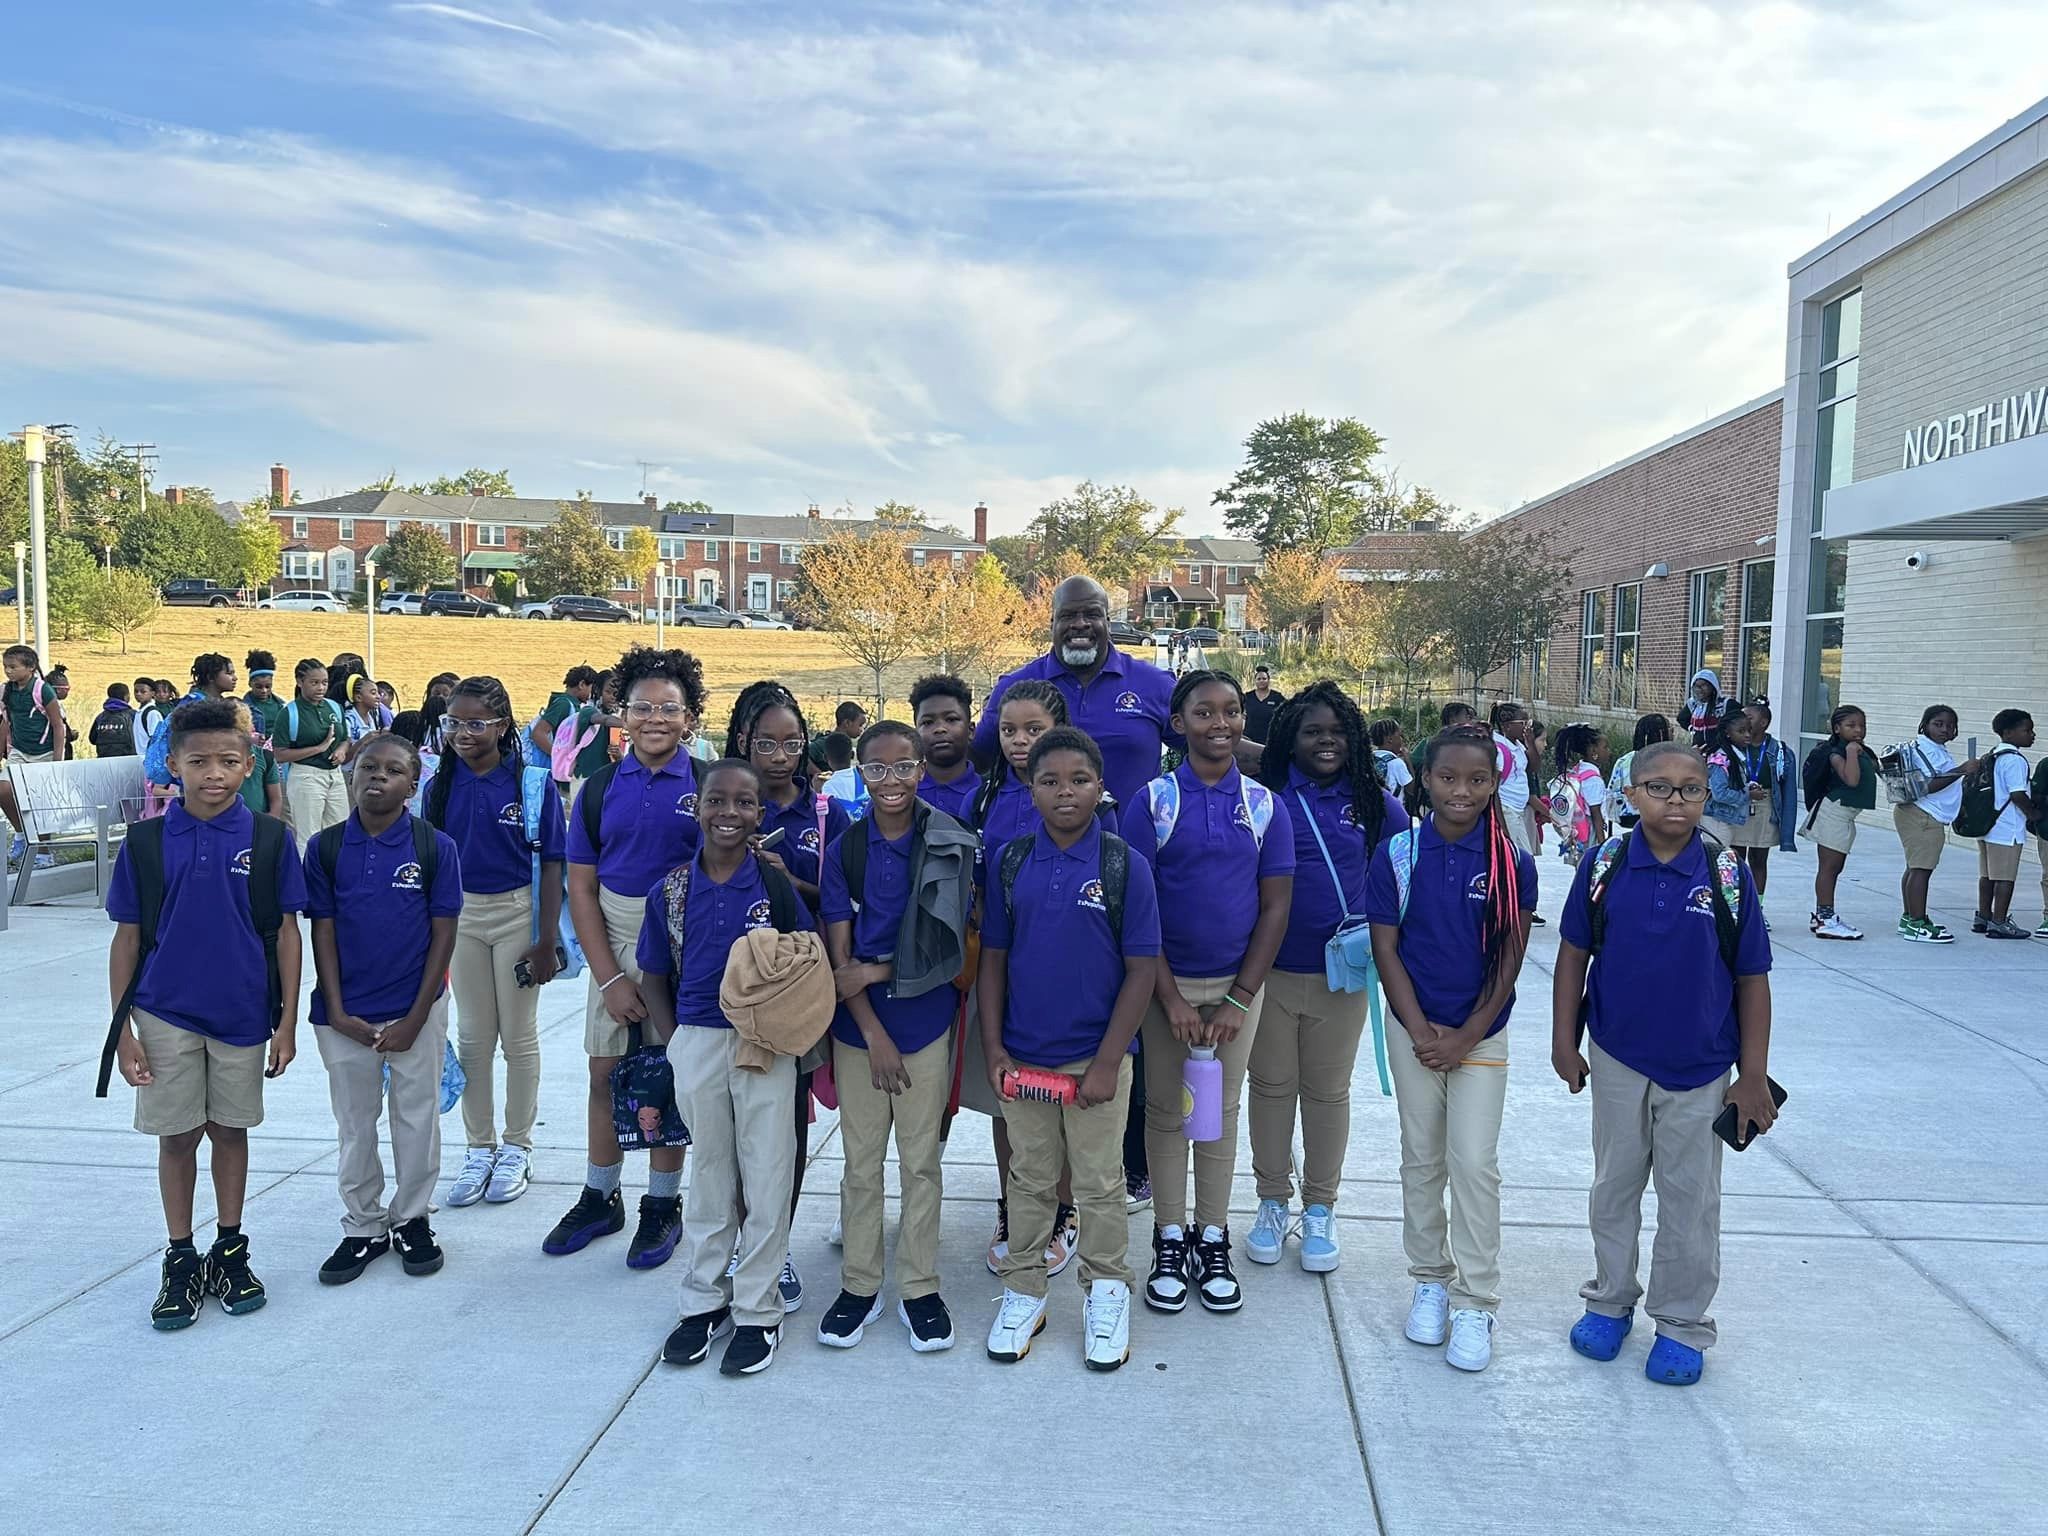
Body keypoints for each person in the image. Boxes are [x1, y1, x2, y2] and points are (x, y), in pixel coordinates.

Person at [1552, 740, 1776, 1387]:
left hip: (1702, 1067)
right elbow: (1574, 956)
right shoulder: (1605, 863)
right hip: (1618, 1055)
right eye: (1659, 787)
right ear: (1630, 794)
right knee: (1614, 1185)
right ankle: (1609, 1298)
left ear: (1707, 796)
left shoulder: (1726, 872)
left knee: (1690, 1199)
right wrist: (1564, 1040)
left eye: (1690, 789)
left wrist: (1752, 1074)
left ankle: (1680, 1322)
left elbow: (1752, 977)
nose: (1675, 800)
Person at [107, 700, 305, 1329]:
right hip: (165, 1012)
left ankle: (229, 1245)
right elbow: (127, 939)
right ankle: (181, 1256)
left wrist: (287, 1020)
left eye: (227, 761)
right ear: (174, 765)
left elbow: (288, 934)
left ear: (250, 764)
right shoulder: (147, 840)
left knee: (231, 1130)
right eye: (198, 762)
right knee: (177, 1136)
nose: (213, 774)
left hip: (244, 1013)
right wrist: (123, 1033)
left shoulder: (271, 839)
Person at [979, 726, 1161, 1370]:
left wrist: (1111, 1061)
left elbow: (1142, 969)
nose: (1064, 792)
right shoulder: (1009, 861)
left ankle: (1107, 1290)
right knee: (1029, 1178)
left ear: (1100, 786)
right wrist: (994, 1049)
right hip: (1024, 1056)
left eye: (1079, 780)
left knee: (1099, 1181)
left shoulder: (1121, 864)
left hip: (1096, 1057)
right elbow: (994, 963)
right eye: (1049, 781)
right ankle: (1025, 1288)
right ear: (1030, 790)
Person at [1122, 670, 1294, 1318]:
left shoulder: (1262, 805)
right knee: (1166, 1110)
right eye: (1203, 713)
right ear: (1178, 721)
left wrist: (1239, 999)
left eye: (1230, 712)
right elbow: (1139, 907)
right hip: (1163, 985)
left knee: (1218, 1111)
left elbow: (1275, 908)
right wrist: (1167, 998)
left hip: (1234, 991)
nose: (1219, 724)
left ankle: (1212, 1234)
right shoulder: (1153, 801)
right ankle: (1170, 1236)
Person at [1366, 726, 1537, 1373]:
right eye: (1447, 779)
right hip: (1414, 1029)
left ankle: (1474, 1300)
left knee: (1472, 1163)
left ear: (1494, 784)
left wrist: (1468, 1033)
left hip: (1480, 1034)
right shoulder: (1399, 854)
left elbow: (1511, 954)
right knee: (1422, 1158)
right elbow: (1386, 948)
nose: (1460, 791)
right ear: (1425, 781)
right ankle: (1430, 1281)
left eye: (1476, 780)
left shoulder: (1510, 862)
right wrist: (1418, 1030)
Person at [649, 760, 815, 1377]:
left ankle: (758, 1308)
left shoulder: (773, 889)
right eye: (716, 801)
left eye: (743, 804)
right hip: (696, 1038)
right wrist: (676, 1044)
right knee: (712, 1174)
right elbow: (653, 974)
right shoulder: (672, 890)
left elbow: (804, 960)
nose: (728, 814)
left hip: (765, 1045)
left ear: (759, 815)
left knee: (768, 1174)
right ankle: (703, 1301)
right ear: (698, 806)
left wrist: (784, 1030)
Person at [817, 722, 975, 1353]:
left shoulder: (949, 841)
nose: (891, 782)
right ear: (859, 772)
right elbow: (839, 960)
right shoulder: (848, 850)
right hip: (861, 1032)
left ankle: (919, 1285)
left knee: (921, 1164)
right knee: (860, 1165)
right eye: (876, 770)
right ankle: (860, 1283)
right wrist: (873, 1033)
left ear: (920, 770)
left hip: (928, 1023)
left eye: (903, 767)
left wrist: (879, 970)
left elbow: (949, 947)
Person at [554, 648, 706, 1269]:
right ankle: (600, 1194)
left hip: (683, 943)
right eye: (642, 706)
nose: (654, 719)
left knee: (667, 1076)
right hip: (613, 936)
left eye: (669, 708)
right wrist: (610, 976)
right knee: (605, 1073)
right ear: (621, 712)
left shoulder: (708, 784)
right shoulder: (596, 791)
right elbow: (581, 888)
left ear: (690, 718)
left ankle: (662, 1204)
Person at [1248, 682, 1408, 1271]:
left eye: (1337, 732)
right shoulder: (1263, 797)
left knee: (1325, 1092)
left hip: (1341, 976)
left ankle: (1320, 1207)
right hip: (1267, 973)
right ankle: (1271, 1201)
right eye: (1312, 731)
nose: (1325, 742)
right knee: (1269, 1090)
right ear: (1290, 737)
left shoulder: (1374, 803)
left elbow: (1402, 879)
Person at [305, 732, 462, 1286]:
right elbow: (321, 931)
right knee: (355, 1123)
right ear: (350, 774)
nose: (377, 777)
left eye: (393, 770)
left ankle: (412, 1218)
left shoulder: (433, 847)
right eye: (368, 767)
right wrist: (339, 1009)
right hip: (344, 1014)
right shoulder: (324, 848)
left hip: (415, 1007)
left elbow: (444, 934)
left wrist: (418, 1016)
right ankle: (363, 1225)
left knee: (417, 1118)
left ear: (412, 785)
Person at [725, 680, 849, 1308]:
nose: (778, 753)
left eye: (791, 742)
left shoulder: (827, 814)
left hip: (799, 990)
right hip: (732, 992)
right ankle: (745, 1240)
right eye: (765, 741)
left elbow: (844, 904)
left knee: (791, 1127)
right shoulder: (725, 800)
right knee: (740, 1129)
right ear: (743, 740)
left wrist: (787, 878)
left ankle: (777, 1247)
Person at [426, 676, 564, 1209]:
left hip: (517, 914)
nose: (463, 733)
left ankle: (517, 1146)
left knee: (519, 1034)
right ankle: (479, 1147)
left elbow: (553, 863)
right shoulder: (437, 785)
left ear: (504, 725)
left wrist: (545, 939)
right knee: (474, 1036)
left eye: (476, 723)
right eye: (454, 722)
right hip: (459, 917)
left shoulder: (530, 782)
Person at [966, 678, 1089, 1275]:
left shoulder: (1090, 802)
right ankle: (1016, 1205)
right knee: (1007, 1099)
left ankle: (1063, 1210)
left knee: (1061, 1096)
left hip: (1066, 967)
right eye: (1009, 730)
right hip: (1001, 964)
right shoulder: (984, 799)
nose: (1019, 742)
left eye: (1033, 730)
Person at [974, 575, 1178, 812]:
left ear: (1108, 622)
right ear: (1052, 623)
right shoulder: (1015, 688)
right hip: (1035, 845)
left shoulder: (1154, 684)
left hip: (1134, 844)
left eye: (1092, 614)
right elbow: (975, 761)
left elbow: (1209, 750)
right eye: (1068, 615)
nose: (1080, 623)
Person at [1801, 704, 1871, 940]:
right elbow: (1851, 780)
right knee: (1829, 869)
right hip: (1834, 813)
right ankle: (1825, 919)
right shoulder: (1835, 752)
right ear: (1837, 727)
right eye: (1851, 725)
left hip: (1846, 815)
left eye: (1862, 725)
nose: (1858, 730)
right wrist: (1851, 752)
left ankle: (1823, 916)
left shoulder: (1859, 749)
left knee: (1835, 868)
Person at [4, 644, 70, 867]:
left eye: (13, 667)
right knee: (3, 789)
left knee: (39, 802)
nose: (8, 671)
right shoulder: (7, 690)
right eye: (5, 667)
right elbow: (5, 720)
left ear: (30, 668)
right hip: (20, 751)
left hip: (44, 752)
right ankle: (22, 833)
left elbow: (58, 726)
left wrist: (57, 760)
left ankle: (44, 853)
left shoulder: (43, 690)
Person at [274, 659, 351, 850]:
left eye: (324, 682)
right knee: (308, 835)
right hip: (306, 775)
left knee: (340, 832)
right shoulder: (289, 713)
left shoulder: (334, 707)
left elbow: (345, 738)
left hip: (335, 774)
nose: (321, 687)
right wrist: (319, 748)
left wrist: (341, 750)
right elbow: (280, 754)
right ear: (300, 682)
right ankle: (305, 877)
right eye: (314, 682)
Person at [1975, 709, 2037, 940]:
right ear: (2009, 733)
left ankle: (1983, 916)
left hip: (1988, 825)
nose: (2032, 735)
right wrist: (2034, 814)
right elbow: (2018, 795)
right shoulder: (2014, 760)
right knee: (2005, 878)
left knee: (1987, 875)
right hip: (2007, 827)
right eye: (2027, 730)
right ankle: (1999, 922)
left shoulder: (1992, 755)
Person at [1732, 702, 1799, 894]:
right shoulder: (1732, 748)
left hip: (1765, 807)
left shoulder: (1780, 751)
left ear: (1764, 723)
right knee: (1735, 859)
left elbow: (1789, 795)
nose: (1744, 721)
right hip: (1739, 806)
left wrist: (1786, 829)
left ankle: (1758, 911)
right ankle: (1735, 908)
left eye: (1749, 718)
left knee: (1759, 860)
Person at [910, 674, 981, 822]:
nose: (940, 729)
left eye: (951, 719)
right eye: (928, 722)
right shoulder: (902, 791)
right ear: (915, 734)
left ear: (971, 730)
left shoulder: (988, 795)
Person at [531, 666, 599, 792]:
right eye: (591, 688)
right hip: (558, 774)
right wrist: (561, 758)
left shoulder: (573, 705)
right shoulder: (563, 704)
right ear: (582, 684)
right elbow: (538, 733)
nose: (592, 693)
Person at [1549, 722, 1609, 861]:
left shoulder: (1578, 770)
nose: (1608, 751)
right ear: (1593, 752)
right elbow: (1596, 814)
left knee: (1580, 868)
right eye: (1605, 747)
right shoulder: (1593, 779)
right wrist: (1602, 845)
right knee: (1588, 868)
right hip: (1589, 831)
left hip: (1577, 829)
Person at [564, 670, 621, 806]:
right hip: (585, 780)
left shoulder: (619, 717)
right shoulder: (587, 711)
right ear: (597, 690)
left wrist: (619, 756)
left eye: (617, 694)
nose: (613, 697)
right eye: (608, 692)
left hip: (610, 782)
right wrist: (628, 723)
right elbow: (603, 719)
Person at [1608, 715, 1672, 831]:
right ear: (1661, 734)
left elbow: (1611, 794)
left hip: (1624, 822)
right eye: (1669, 728)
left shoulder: (1624, 761)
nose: (1672, 731)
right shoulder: (1667, 762)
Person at [230, 702, 286, 819]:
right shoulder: (213, 757)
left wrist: (267, 825)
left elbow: (276, 801)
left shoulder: (265, 757)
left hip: (257, 825)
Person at [243, 651, 287, 749]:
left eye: (268, 686)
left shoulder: (282, 705)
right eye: (259, 687)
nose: (264, 691)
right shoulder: (243, 708)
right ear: (250, 683)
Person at [89, 682, 141, 758]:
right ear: (126, 697)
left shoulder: (100, 717)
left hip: (104, 759)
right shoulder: (133, 715)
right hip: (128, 759)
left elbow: (92, 739)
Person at [1677, 669, 1725, 746]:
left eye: (1703, 685)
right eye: (1697, 686)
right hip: (1698, 749)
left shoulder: (1723, 704)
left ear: (1712, 686)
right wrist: (1691, 729)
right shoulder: (1693, 703)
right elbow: (1681, 718)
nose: (1700, 689)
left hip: (1719, 750)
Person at [1242, 665, 1287, 745]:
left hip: (1270, 739)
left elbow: (1288, 709)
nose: (1261, 681)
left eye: (1264, 679)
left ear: (1269, 680)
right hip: (1249, 739)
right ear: (1255, 681)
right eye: (1259, 679)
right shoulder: (1248, 696)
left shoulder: (1277, 697)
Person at [1370, 718, 1412, 797]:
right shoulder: (1396, 763)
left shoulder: (1369, 758)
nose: (1402, 740)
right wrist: (1408, 761)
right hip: (1391, 808)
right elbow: (1411, 790)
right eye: (1400, 736)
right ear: (1390, 739)